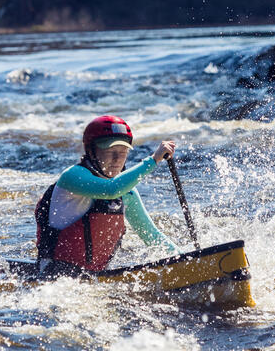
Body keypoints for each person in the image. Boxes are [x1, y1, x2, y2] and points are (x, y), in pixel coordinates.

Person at [35, 115, 181, 277]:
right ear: (91, 151)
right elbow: (110, 190)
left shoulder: (126, 191)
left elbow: (152, 236)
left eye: (123, 152)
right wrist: (153, 160)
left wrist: (185, 260)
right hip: (55, 275)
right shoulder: (73, 176)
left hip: (96, 277)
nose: (117, 159)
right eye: (110, 151)